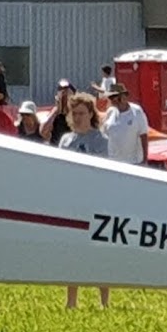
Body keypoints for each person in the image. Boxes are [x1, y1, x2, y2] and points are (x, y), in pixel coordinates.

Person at [56, 93, 111, 308]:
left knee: (99, 251)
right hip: (72, 201)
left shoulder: (101, 141)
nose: (77, 117)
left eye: (81, 113)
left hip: (96, 201)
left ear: (90, 114)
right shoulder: (65, 140)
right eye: (74, 113)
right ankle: (71, 301)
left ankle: (104, 301)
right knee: (73, 250)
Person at [101, 81, 149, 165]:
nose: (113, 100)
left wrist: (145, 160)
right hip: (113, 162)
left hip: (133, 162)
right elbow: (105, 134)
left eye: (115, 97)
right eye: (111, 97)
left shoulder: (136, 111)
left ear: (124, 96)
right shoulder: (110, 112)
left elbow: (144, 135)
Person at [39, 79, 76, 146]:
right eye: (61, 91)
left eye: (66, 93)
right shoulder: (55, 115)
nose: (64, 97)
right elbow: (43, 132)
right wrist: (56, 110)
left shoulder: (78, 114)